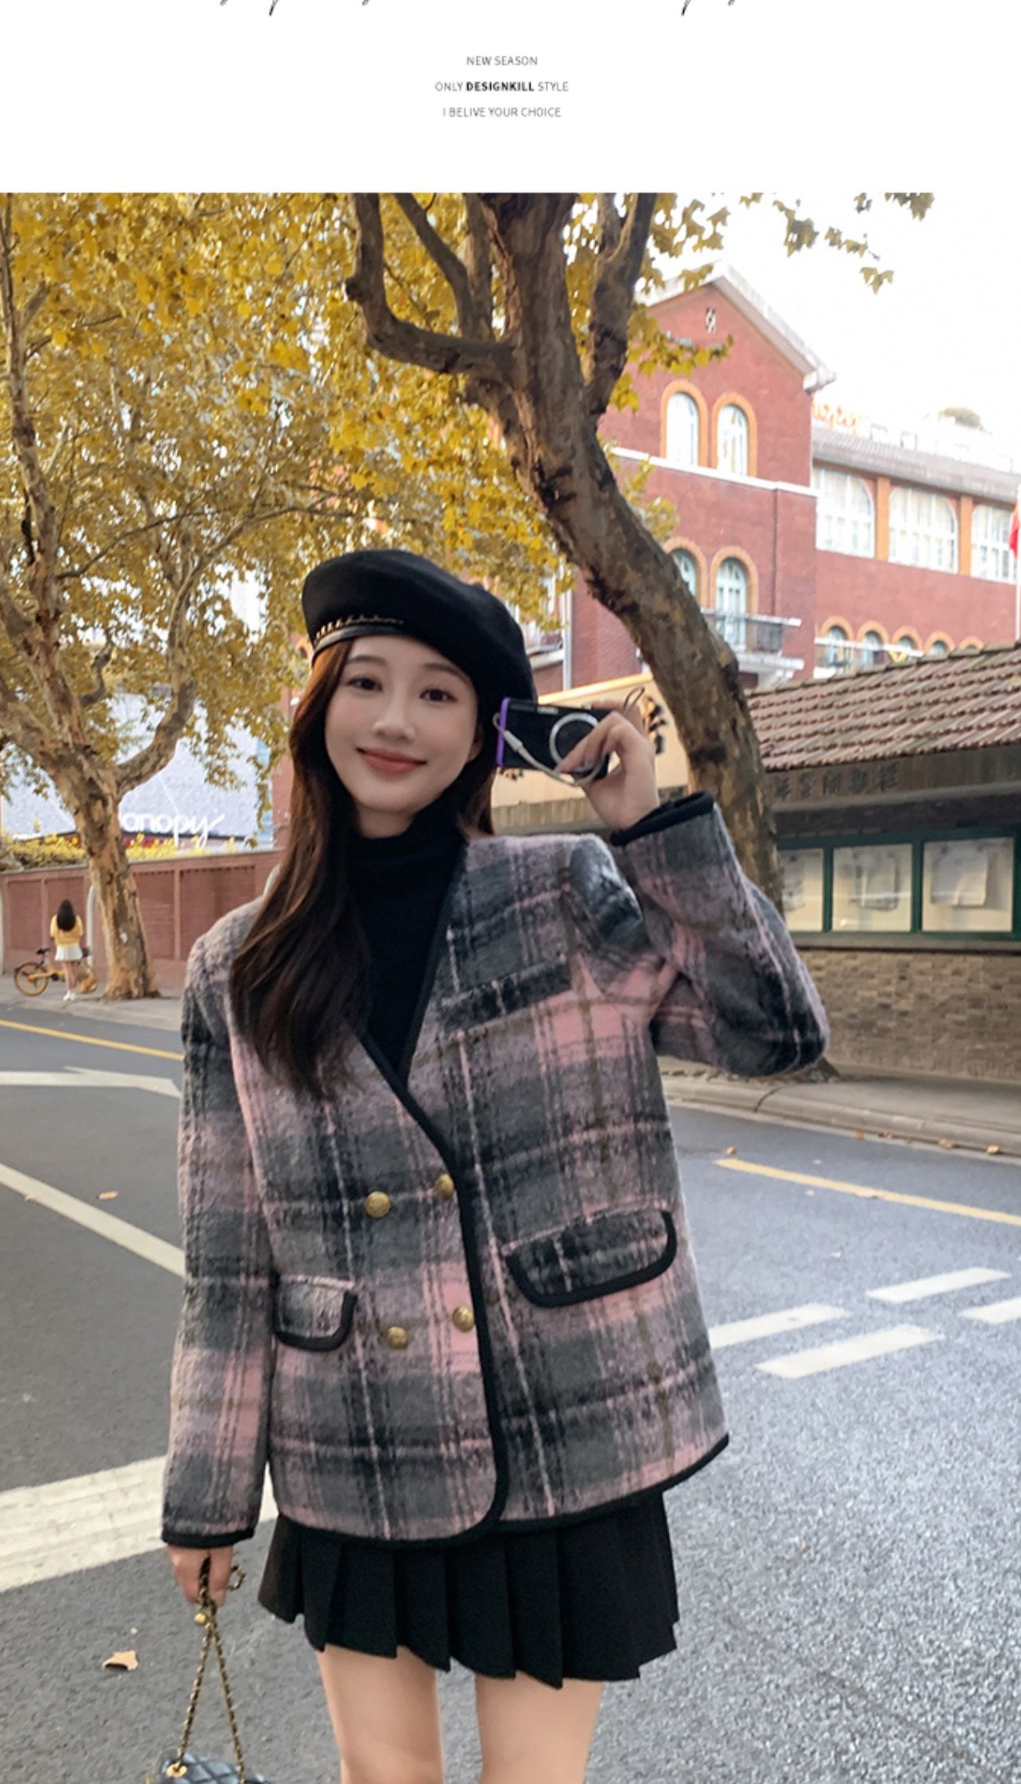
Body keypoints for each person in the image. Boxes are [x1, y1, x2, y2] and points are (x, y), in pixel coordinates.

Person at [161, 548, 830, 1784]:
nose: (396, 720)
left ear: (481, 736)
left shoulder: (561, 888)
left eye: (439, 694)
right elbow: (227, 1257)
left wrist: (655, 832)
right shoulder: (236, 967)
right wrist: (207, 1496)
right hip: (358, 1437)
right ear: (318, 707)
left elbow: (772, 1032)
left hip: (561, 1418)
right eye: (367, 682)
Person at [49, 897, 84, 1003]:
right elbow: (80, 933)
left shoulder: (55, 919)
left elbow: (53, 933)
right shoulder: (76, 919)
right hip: (74, 946)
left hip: (62, 947)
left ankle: (69, 992)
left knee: (67, 971)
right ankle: (74, 992)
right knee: (74, 971)